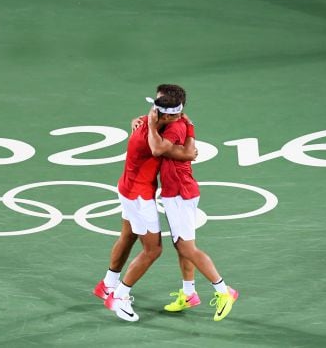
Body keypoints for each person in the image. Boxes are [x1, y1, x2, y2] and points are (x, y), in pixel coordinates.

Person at [93, 94, 197, 322]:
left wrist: (151, 121)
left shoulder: (146, 121)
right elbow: (187, 154)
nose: (180, 118)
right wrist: (189, 130)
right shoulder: (151, 137)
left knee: (128, 235)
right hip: (139, 196)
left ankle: (107, 285)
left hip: (127, 188)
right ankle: (120, 297)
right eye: (175, 115)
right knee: (153, 250)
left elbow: (143, 119)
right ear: (162, 115)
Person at [145, 85, 239, 322]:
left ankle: (224, 291)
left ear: (169, 111)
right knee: (180, 245)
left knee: (187, 248)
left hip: (180, 194)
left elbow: (157, 149)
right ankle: (189, 294)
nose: (153, 109)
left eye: (158, 105)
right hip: (176, 192)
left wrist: (148, 123)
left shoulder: (175, 129)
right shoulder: (176, 123)